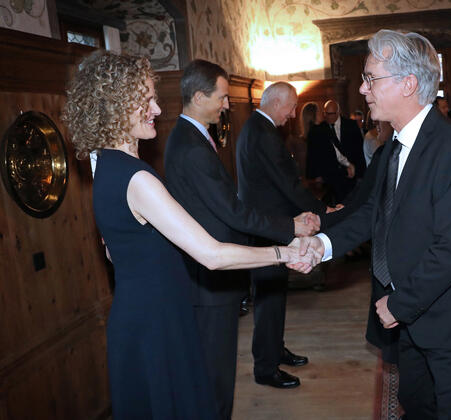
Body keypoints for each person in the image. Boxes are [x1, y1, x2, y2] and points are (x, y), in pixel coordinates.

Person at [61, 51, 313, 419]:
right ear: (115, 106)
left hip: (139, 315)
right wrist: (284, 254)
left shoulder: (105, 167)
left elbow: (117, 253)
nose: (157, 109)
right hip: (158, 322)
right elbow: (211, 255)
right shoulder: (138, 178)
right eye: (144, 99)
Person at [298, 29, 451, 419]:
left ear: (408, 84)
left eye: (371, 78)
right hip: (409, 319)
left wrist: (401, 304)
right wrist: (321, 246)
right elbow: (373, 214)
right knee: (417, 408)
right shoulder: (395, 145)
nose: (361, 88)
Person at [163, 59, 320, 418]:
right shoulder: (189, 146)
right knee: (216, 377)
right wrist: (291, 228)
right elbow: (232, 211)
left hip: (212, 272)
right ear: (199, 97)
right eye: (221, 97)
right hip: (207, 277)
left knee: (215, 371)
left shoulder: (193, 137)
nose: (226, 104)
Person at [236, 82, 333, 389]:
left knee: (275, 296)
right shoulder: (261, 133)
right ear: (276, 103)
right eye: (291, 107)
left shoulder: (259, 129)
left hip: (272, 225)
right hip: (266, 228)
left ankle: (275, 350)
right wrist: (322, 211)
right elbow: (286, 185)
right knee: (267, 300)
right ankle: (265, 368)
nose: (293, 114)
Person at [306, 99, 366, 203]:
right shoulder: (318, 130)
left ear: (338, 112)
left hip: (351, 177)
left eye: (332, 114)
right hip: (330, 177)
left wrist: (359, 172)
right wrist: (316, 176)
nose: (329, 116)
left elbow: (359, 151)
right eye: (326, 114)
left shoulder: (351, 126)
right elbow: (314, 155)